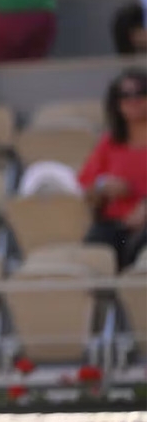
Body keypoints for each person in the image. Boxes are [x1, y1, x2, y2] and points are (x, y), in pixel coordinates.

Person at [78, 68, 147, 271]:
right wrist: (103, 185)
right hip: (115, 224)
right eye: (124, 96)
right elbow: (87, 183)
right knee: (96, 244)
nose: (133, 100)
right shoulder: (109, 143)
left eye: (141, 93)